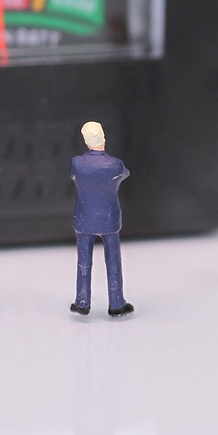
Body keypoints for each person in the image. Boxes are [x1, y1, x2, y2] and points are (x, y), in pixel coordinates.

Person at [69, 121, 134, 317]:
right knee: (113, 262)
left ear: (85, 140)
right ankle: (116, 303)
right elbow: (125, 174)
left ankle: (82, 301)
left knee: (83, 262)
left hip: (84, 218)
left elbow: (74, 176)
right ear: (103, 137)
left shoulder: (77, 163)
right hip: (109, 218)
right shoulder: (115, 164)